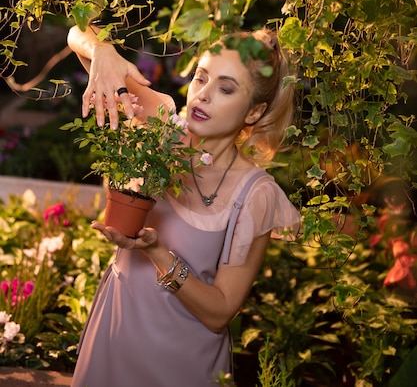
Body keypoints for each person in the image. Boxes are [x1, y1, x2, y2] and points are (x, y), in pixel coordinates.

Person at [67, 24, 300, 387]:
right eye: (200, 78)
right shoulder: (162, 124)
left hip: (184, 367)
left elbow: (220, 313)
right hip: (113, 343)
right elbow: (75, 34)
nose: (202, 96)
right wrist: (103, 52)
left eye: (225, 88)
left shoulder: (256, 194)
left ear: (253, 113)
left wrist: (158, 253)